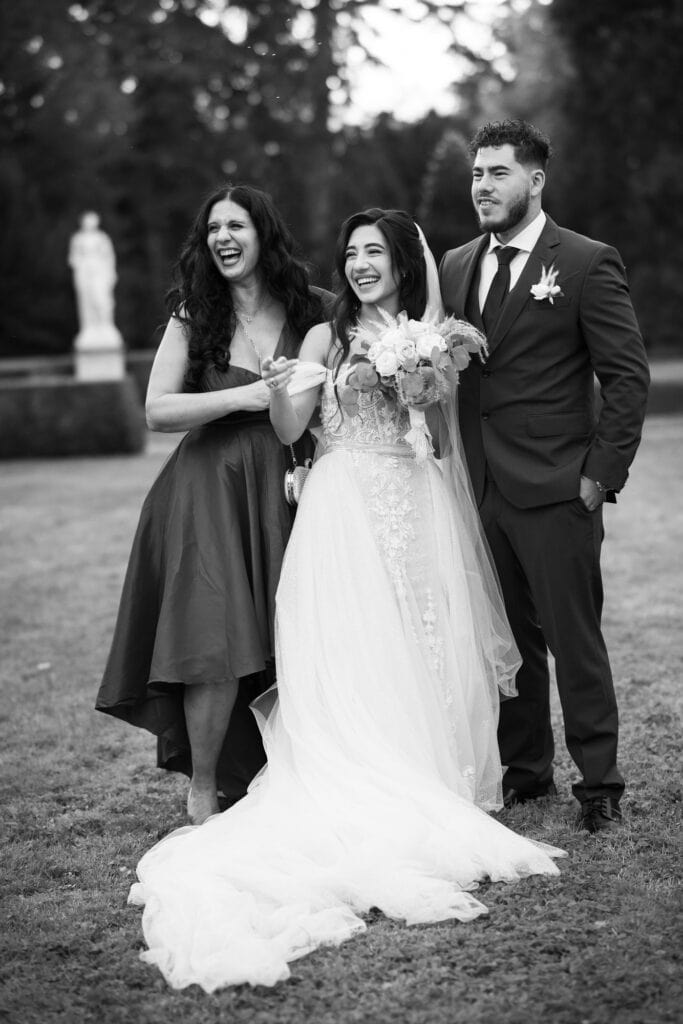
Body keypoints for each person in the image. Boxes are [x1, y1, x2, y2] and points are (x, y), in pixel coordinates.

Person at [126, 208, 564, 992]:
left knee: (423, 634)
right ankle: (344, 771)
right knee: (352, 642)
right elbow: (294, 422)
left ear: (400, 262)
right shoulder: (323, 336)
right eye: (352, 252)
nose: (361, 263)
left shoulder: (429, 332)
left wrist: (420, 371)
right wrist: (281, 388)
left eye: (374, 253)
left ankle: (432, 774)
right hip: (340, 499)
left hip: (409, 492)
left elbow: (436, 422)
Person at [95, 184, 332, 826]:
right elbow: (157, 409)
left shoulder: (313, 310)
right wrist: (244, 398)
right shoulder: (192, 316)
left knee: (295, 635)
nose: (222, 238)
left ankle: (297, 772)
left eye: (237, 226)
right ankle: (204, 785)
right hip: (206, 495)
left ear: (264, 234)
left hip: (285, 491)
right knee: (214, 638)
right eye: (212, 230)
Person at [438, 120, 650, 834]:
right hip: (480, 490)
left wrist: (598, 476)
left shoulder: (586, 262)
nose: (483, 187)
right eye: (476, 174)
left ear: (534, 180)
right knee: (506, 643)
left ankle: (598, 782)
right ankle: (524, 774)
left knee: (571, 639)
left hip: (559, 487)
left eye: (498, 173)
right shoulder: (455, 265)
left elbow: (625, 377)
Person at [68, 211, 118, 332]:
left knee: (102, 298)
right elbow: (73, 258)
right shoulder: (77, 239)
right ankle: (89, 327)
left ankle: (106, 325)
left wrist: (111, 272)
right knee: (86, 301)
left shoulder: (102, 238)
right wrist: (83, 264)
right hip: (84, 272)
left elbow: (109, 257)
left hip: (99, 271)